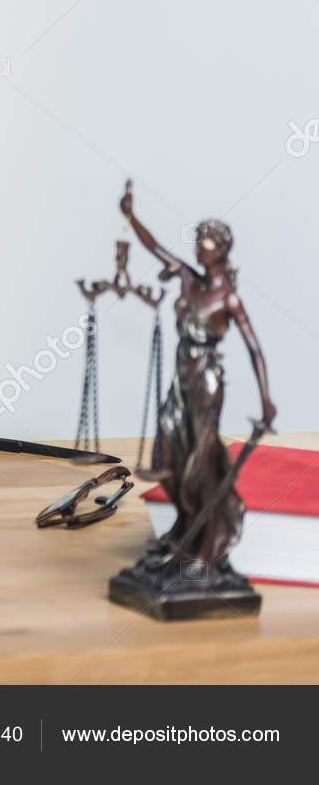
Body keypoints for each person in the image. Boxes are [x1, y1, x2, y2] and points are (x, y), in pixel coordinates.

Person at [120, 182, 275, 578]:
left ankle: (207, 550)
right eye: (198, 238)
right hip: (179, 382)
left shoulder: (228, 298)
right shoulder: (190, 281)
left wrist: (266, 401)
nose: (198, 245)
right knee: (169, 458)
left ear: (222, 249)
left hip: (206, 384)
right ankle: (185, 526)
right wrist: (131, 216)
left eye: (205, 239)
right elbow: (154, 247)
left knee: (201, 466)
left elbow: (255, 349)